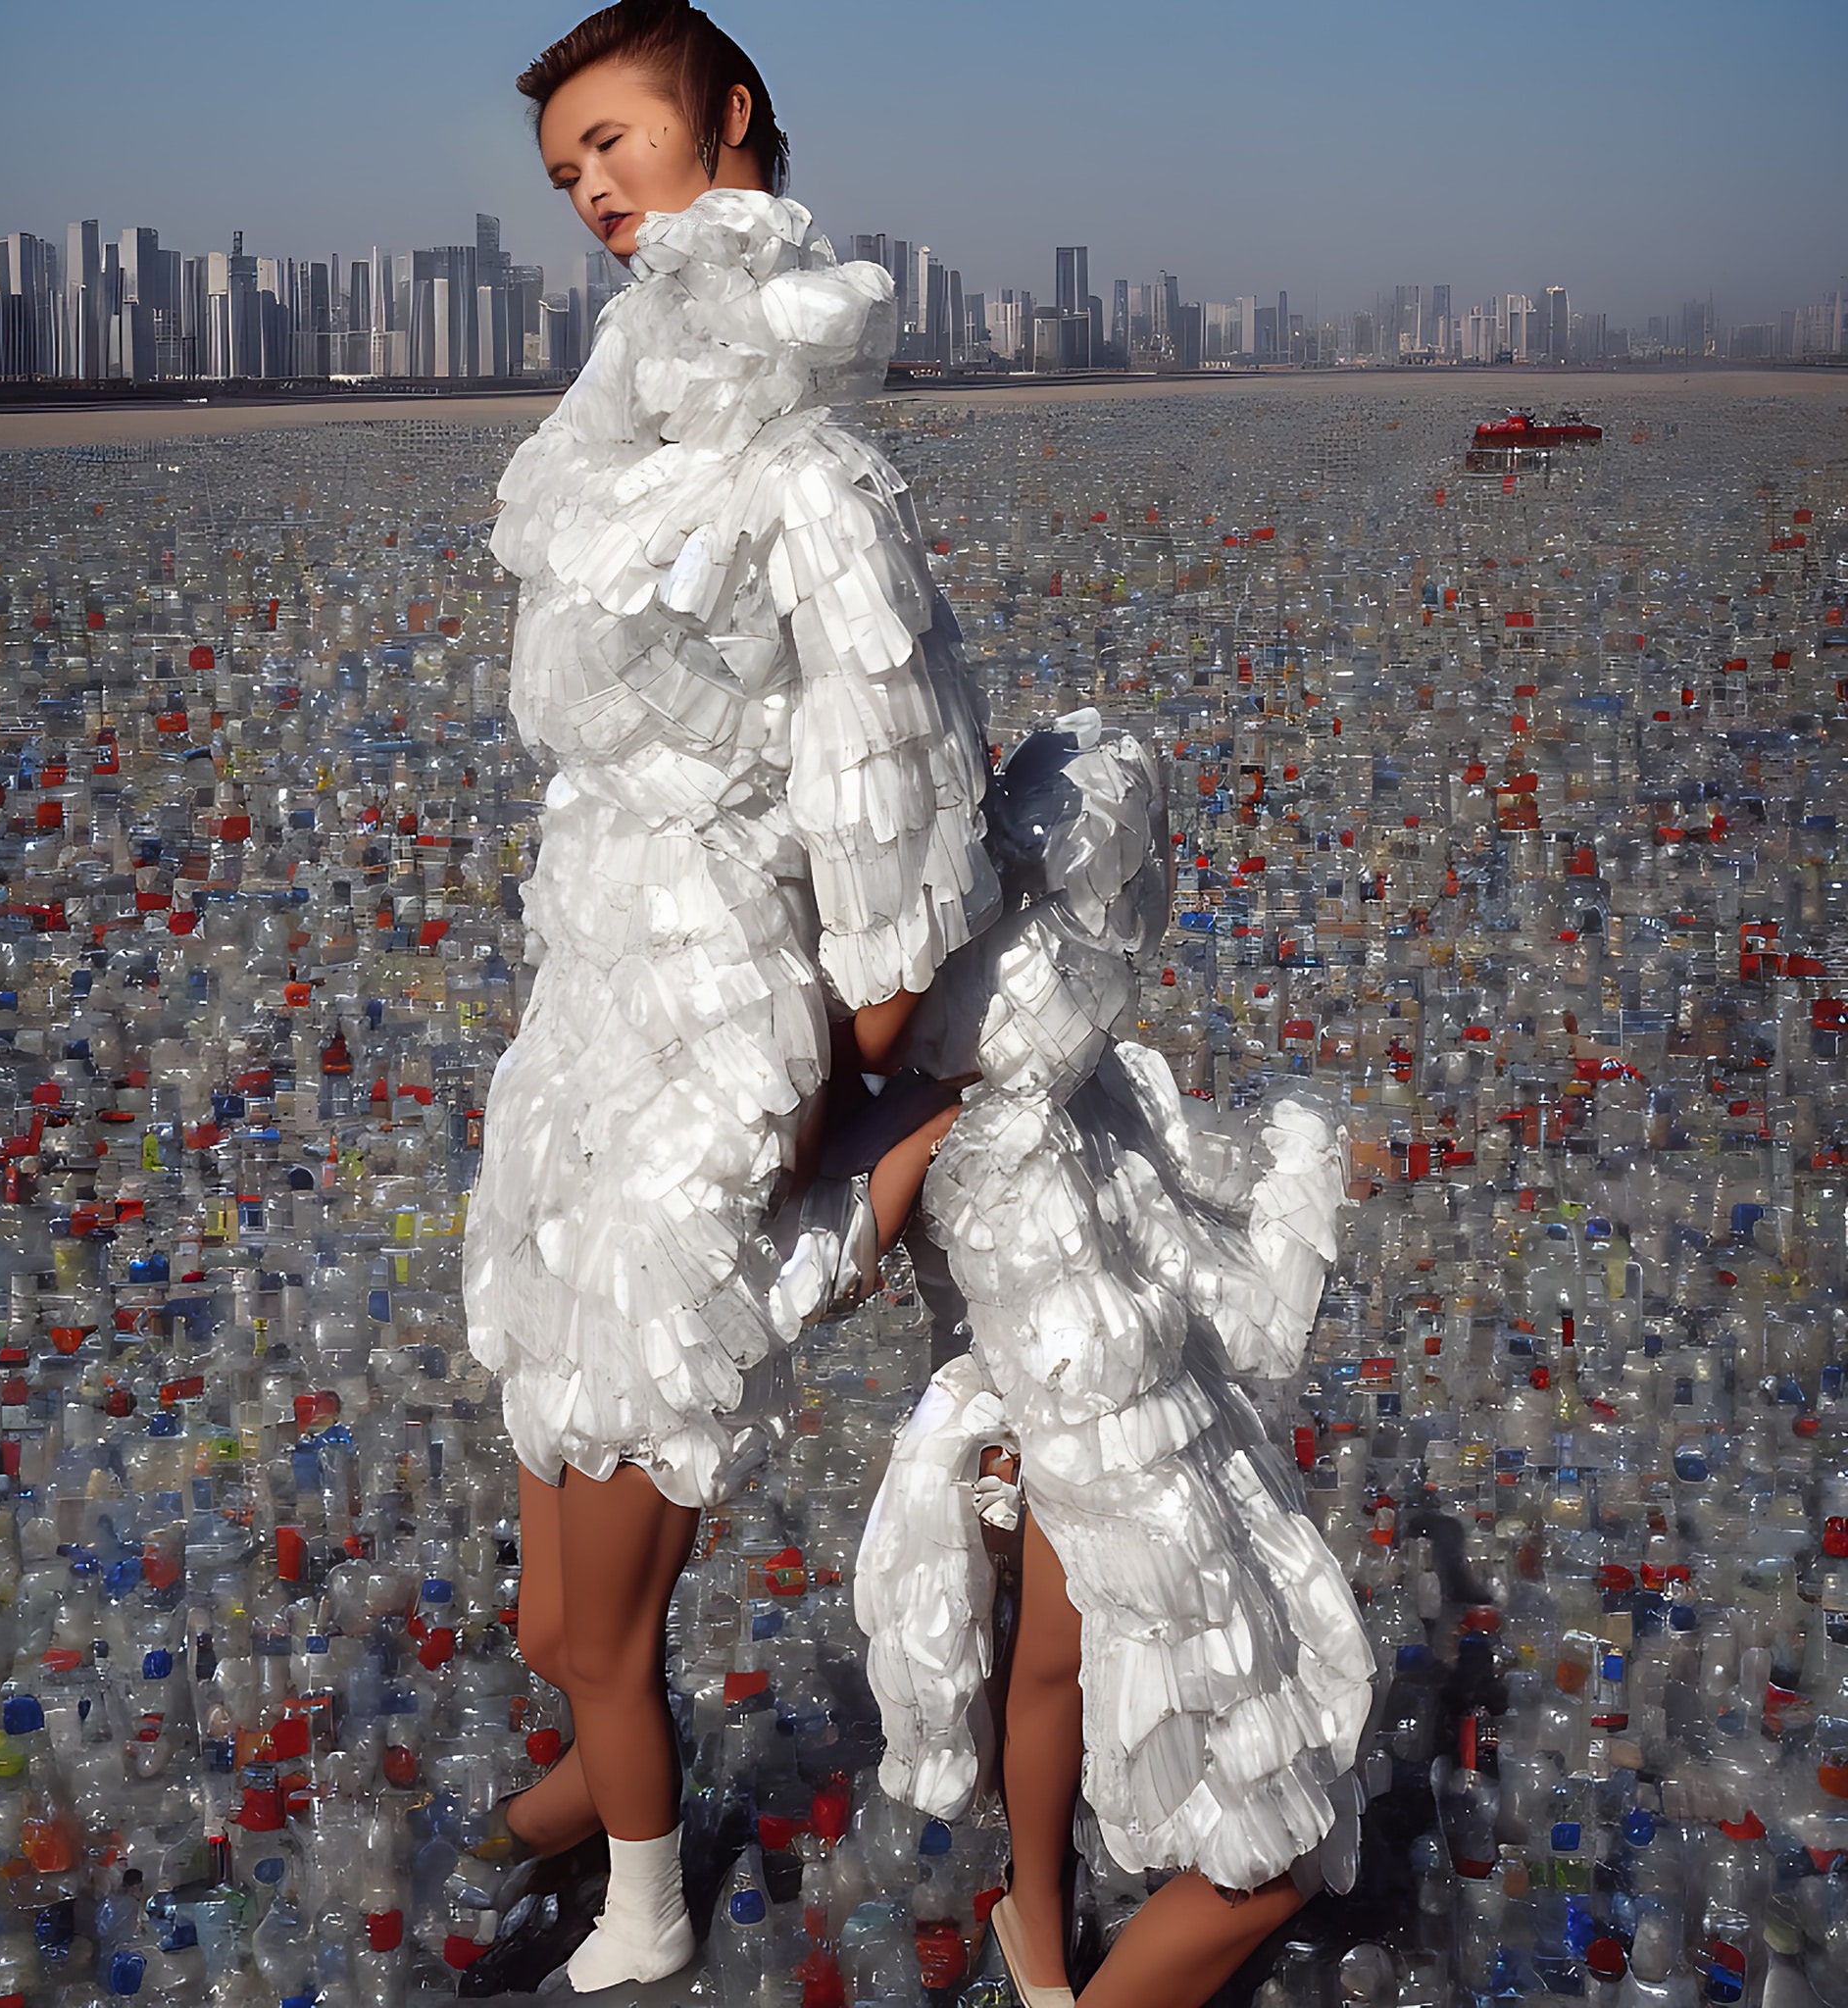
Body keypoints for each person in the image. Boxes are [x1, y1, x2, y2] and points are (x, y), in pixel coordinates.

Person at [459, 0, 998, 1990]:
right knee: (559, 1593)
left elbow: (887, 750)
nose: (590, 189)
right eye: (563, 170)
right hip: (595, 1009)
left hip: (710, 1021)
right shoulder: (637, 428)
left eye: (611, 138)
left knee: (601, 1592)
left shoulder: (804, 478)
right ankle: (584, 1788)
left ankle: (649, 1902)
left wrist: (864, 1040)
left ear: (730, 117)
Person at [856, 718, 1378, 2007]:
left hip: (997, 1445)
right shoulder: (1038, 1107)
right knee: (1285, 1835)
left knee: (1039, 1664)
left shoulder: (987, 1088)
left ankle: (1036, 1925)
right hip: (1079, 1446)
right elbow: (1135, 1298)